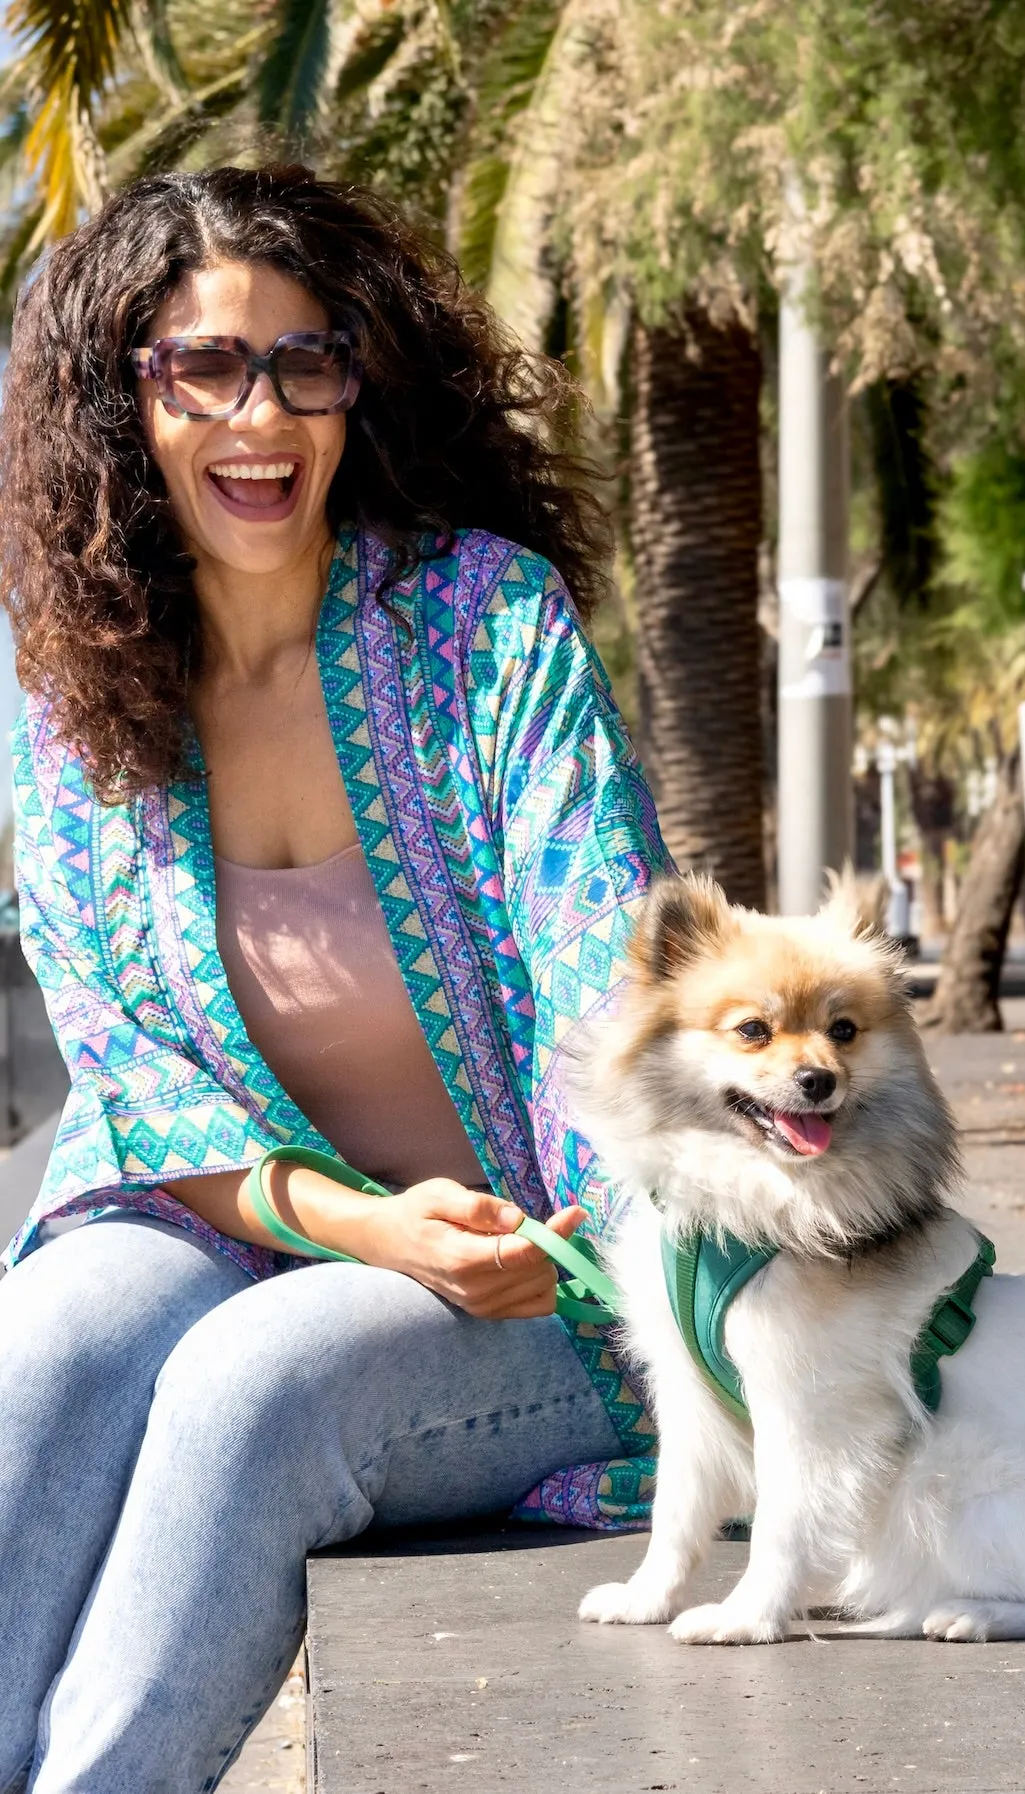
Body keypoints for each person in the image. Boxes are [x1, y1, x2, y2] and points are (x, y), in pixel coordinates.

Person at [0, 164, 667, 1791]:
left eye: (306, 361)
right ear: (123, 398)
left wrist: (634, 1279)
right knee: (40, 1357)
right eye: (203, 367)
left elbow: (612, 970)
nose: (263, 414)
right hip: (226, 1217)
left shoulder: (482, 626)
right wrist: (354, 1224)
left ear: (359, 381)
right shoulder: (68, 682)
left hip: (544, 1282)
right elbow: (133, 1064)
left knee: (253, 1390)